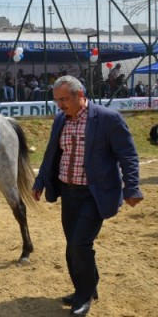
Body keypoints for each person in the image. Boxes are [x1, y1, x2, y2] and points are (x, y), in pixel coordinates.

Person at [32, 75, 143, 316]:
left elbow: (129, 155)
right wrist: (40, 181)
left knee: (79, 244)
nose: (60, 105)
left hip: (95, 193)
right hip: (68, 192)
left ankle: (84, 296)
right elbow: (52, 153)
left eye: (64, 99)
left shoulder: (107, 119)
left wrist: (132, 187)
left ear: (79, 95)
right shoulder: (61, 119)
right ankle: (86, 286)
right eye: (56, 100)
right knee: (73, 245)